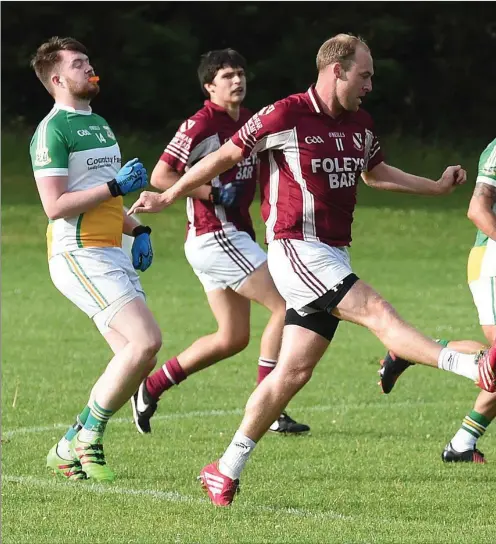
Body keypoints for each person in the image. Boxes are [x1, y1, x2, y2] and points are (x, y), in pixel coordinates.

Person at [128, 33, 496, 506]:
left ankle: (225, 468)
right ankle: (473, 366)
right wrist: (168, 195)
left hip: (331, 253)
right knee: (378, 312)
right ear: (336, 70)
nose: (369, 85)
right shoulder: (286, 114)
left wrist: (436, 187)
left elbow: (376, 172)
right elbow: (224, 157)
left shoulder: (360, 121)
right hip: (297, 250)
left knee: (292, 374)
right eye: (364, 75)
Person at [130, 49, 309, 435]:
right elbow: (162, 176)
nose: (237, 81)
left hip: (233, 236)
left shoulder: (250, 121)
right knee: (285, 304)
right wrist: (211, 193)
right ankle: (270, 405)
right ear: (209, 86)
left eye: (241, 73)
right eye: (227, 76)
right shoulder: (200, 124)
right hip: (214, 235)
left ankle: (151, 386)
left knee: (232, 337)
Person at [30, 36, 162, 482]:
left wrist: (137, 228)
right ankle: (90, 438)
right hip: (78, 254)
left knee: (135, 357)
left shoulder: (100, 124)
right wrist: (114, 187)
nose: (90, 69)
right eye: (79, 64)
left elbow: (104, 198)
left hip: (111, 251)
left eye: (89, 61)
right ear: (57, 78)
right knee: (146, 341)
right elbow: (55, 205)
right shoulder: (53, 130)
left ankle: (68, 445)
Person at [379, 138, 496, 463]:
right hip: (492, 259)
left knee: (495, 365)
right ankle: (414, 349)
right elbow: (478, 209)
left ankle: (462, 444)